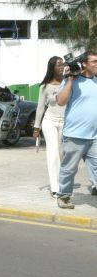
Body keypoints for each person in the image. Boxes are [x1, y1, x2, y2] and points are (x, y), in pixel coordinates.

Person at [56, 51, 97, 209]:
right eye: (94, 61)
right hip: (74, 135)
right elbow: (60, 101)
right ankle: (64, 196)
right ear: (84, 64)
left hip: (94, 136)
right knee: (69, 168)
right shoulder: (72, 80)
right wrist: (70, 81)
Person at [33, 56, 65, 198]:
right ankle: (55, 187)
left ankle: (63, 184)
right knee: (52, 153)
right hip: (50, 122)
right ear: (52, 67)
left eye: (63, 64)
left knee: (62, 154)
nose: (62, 67)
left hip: (65, 122)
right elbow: (40, 107)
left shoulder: (68, 82)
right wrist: (36, 127)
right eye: (59, 65)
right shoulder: (44, 86)